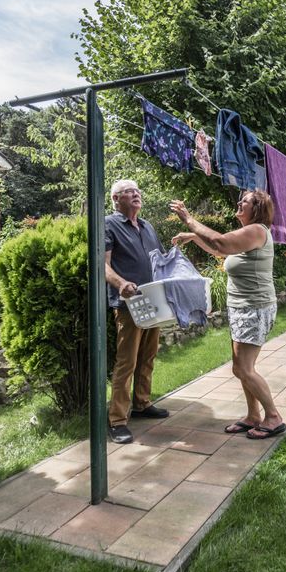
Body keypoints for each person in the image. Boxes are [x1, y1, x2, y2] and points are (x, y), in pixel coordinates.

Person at [170, 191, 286, 440]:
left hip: (254, 308)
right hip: (242, 309)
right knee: (241, 368)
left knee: (244, 368)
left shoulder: (257, 230)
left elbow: (220, 242)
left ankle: (273, 416)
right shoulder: (248, 235)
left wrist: (189, 220)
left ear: (256, 208)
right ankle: (253, 415)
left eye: (243, 201)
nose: (238, 203)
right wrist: (194, 236)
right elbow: (219, 251)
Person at [105, 179, 170, 444]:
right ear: (116, 199)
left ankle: (142, 404)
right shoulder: (109, 224)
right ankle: (117, 420)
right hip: (128, 305)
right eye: (129, 192)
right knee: (127, 362)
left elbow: (160, 260)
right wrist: (121, 284)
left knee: (149, 355)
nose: (136, 194)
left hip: (153, 300)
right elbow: (103, 264)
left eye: (138, 191)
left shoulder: (147, 226)